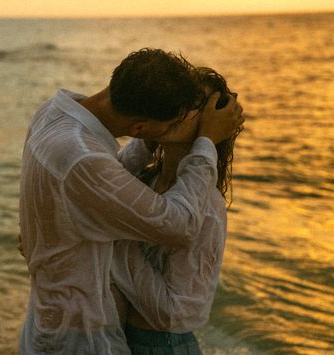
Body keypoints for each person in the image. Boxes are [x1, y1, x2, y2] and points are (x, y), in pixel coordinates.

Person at [18, 48, 244, 354]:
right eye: (187, 110)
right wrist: (206, 141)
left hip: (66, 325)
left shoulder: (54, 113)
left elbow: (106, 182)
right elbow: (176, 223)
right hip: (81, 337)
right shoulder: (84, 157)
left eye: (200, 110)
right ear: (141, 128)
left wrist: (45, 239)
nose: (196, 115)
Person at [111, 68, 242, 354]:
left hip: (162, 346)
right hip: (121, 338)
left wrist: (108, 239)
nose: (178, 109)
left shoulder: (206, 206)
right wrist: (148, 135)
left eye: (195, 105)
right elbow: (101, 187)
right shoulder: (147, 179)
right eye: (177, 99)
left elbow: (174, 313)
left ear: (213, 124)